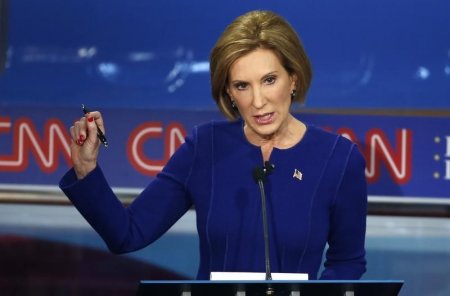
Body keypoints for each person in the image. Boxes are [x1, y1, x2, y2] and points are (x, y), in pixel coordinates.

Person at [60, 10, 367, 280]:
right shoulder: (204, 147)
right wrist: (86, 168)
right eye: (242, 86)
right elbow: (128, 234)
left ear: (294, 79)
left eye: (269, 80)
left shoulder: (338, 159)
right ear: (230, 94)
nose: (258, 101)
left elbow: (347, 262)